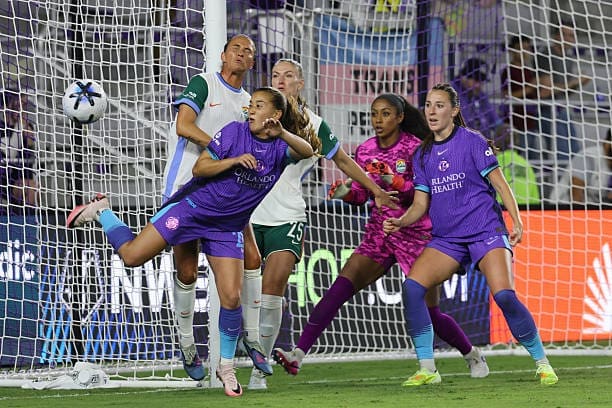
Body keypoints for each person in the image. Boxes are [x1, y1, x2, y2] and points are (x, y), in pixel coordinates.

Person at [66, 87, 317, 397]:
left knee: (231, 298)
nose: (251, 110)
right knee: (132, 257)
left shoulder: (281, 149)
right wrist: (235, 160)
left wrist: (283, 134)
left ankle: (226, 367)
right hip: (192, 210)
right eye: (250, 104)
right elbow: (200, 168)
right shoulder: (234, 132)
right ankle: (103, 211)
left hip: (227, 228)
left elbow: (306, 151)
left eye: (259, 105)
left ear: (275, 116)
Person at [272, 93, 489, 383]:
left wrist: (395, 181)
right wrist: (346, 194)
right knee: (338, 290)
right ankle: (297, 355)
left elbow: (424, 193)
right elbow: (362, 194)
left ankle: (471, 354)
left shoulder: (417, 149)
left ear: (399, 117)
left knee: (431, 312)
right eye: (374, 114)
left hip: (415, 234)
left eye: (385, 114)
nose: (378, 120)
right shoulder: (365, 150)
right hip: (379, 233)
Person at [382, 83, 558, 386]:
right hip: (447, 239)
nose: (432, 111)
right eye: (428, 105)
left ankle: (542, 363)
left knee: (504, 295)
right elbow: (421, 203)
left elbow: (501, 185)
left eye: (439, 105)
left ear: (454, 110)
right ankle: (428, 368)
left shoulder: (473, 142)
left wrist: (515, 220)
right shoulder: (422, 154)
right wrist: (401, 220)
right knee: (412, 289)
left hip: (485, 231)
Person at [246, 59, 399, 390]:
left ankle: (259, 371)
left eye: (288, 76)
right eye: (275, 75)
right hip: (246, 215)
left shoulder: (314, 125)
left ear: (300, 84)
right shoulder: (252, 116)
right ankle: (227, 361)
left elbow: (343, 160)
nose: (281, 80)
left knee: (272, 292)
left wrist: (375, 191)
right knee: (243, 296)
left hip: (286, 216)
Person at [161, 34, 271, 380]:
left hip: (226, 194)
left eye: (248, 51)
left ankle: (251, 340)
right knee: (188, 272)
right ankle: (187, 343)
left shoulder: (249, 102)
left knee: (253, 259)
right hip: (187, 185)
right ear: (223, 55)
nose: (241, 54)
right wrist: (222, 149)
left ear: (253, 62)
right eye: (235, 48)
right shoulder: (203, 83)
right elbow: (184, 125)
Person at [536, 20, 591, 162]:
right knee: (561, 153)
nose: (569, 39)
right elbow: (546, 91)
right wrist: (575, 82)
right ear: (556, 36)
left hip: (562, 108)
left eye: (572, 36)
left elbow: (564, 91)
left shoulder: (569, 58)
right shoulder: (545, 55)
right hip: (547, 110)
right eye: (565, 35)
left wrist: (579, 84)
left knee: (575, 152)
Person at [500, 35, 541, 162]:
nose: (524, 52)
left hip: (530, 121)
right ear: (513, 51)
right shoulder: (508, 71)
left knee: (532, 159)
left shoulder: (530, 71)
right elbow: (506, 96)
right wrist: (529, 89)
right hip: (516, 122)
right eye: (520, 49)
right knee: (519, 158)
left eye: (527, 49)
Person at [550, 128, 612, 206]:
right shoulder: (588, 157)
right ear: (605, 143)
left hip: (596, 211)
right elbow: (575, 197)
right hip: (563, 208)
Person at [451, 58, 506, 142]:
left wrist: (503, 129)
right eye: (476, 80)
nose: (478, 85)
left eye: (481, 81)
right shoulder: (450, 93)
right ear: (463, 77)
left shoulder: (479, 94)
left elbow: (494, 119)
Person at [0, 89, 37, 214]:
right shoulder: (1, 127)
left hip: (23, 177)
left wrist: (24, 127)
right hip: (6, 179)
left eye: (24, 105)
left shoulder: (27, 127)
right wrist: (19, 127)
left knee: (32, 186)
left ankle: (28, 221)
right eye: (17, 105)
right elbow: (9, 152)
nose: (21, 109)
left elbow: (31, 143)